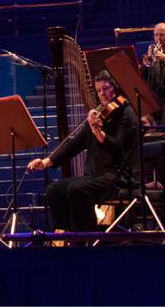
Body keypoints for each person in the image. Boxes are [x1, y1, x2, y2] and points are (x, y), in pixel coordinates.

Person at [27, 71, 138, 232]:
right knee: (54, 190)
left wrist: (98, 132)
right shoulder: (100, 114)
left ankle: (87, 237)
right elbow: (74, 145)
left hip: (117, 175)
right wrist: (45, 162)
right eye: (99, 91)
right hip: (95, 175)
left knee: (77, 189)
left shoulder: (126, 114)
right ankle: (64, 235)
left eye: (106, 89)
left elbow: (118, 147)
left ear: (115, 87)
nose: (102, 94)